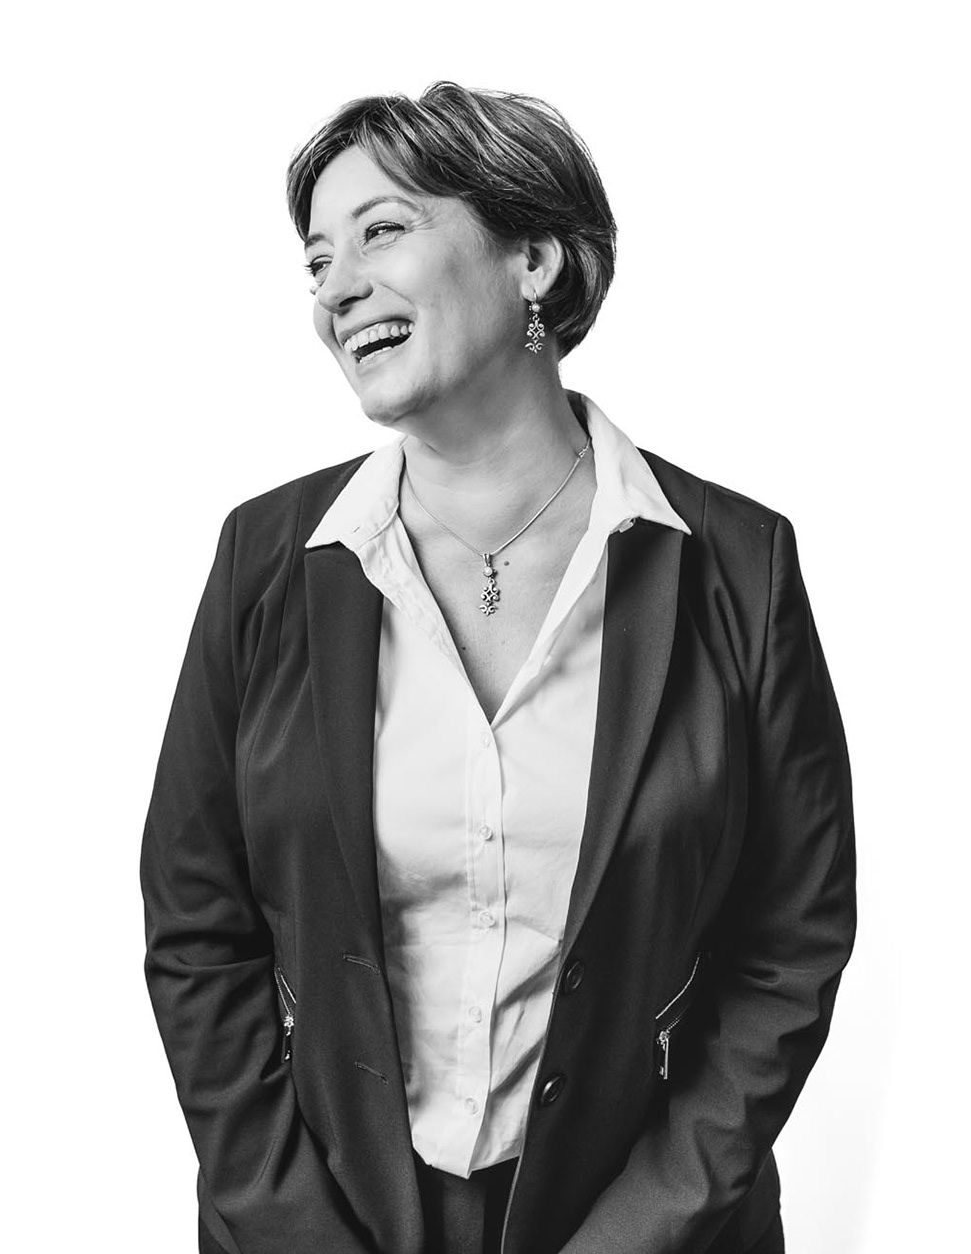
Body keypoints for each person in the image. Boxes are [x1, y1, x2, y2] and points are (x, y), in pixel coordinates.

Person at [141, 82, 855, 1254]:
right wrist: (295, 1228)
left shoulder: (739, 563)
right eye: (315, 261)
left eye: (381, 231)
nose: (334, 289)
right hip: (323, 1221)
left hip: (648, 1223)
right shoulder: (264, 560)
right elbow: (196, 927)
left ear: (534, 256)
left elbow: (790, 942)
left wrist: (642, 1230)